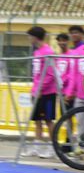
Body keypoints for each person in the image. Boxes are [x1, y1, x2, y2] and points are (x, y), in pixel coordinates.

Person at [27, 26, 57, 158]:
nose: (28, 39)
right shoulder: (36, 52)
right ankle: (37, 146)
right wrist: (33, 90)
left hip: (47, 93)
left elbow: (50, 75)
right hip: (36, 92)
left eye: (30, 36)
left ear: (35, 37)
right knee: (37, 120)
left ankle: (53, 148)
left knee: (48, 120)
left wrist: (41, 88)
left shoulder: (48, 52)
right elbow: (37, 74)